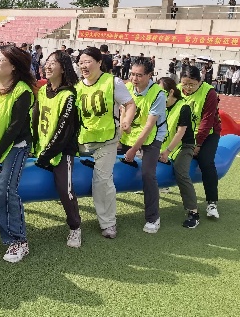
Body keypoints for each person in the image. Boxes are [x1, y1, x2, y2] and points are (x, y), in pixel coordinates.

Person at [0, 45, 35, 262]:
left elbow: (15, 128)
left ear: (13, 67)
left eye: (1, 59)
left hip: (17, 146)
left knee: (5, 189)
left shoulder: (23, 91)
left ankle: (19, 240)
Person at [77, 47, 136, 239]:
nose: (83, 66)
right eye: (81, 62)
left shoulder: (113, 82)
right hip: (83, 140)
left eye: (87, 61)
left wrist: (126, 121)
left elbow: (129, 104)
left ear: (99, 62)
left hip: (107, 140)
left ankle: (108, 223)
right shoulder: (78, 86)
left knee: (102, 181)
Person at [33, 50, 82, 247]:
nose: (48, 65)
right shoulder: (43, 91)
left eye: (53, 63)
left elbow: (64, 130)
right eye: (47, 62)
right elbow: (35, 120)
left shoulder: (69, 95)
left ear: (63, 68)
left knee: (65, 189)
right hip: (42, 149)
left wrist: (47, 155)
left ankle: (75, 227)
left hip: (62, 151)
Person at [120, 58, 167, 234]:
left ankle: (153, 218)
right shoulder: (127, 88)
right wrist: (122, 130)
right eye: (132, 74)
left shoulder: (158, 94)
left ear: (149, 75)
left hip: (152, 137)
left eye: (139, 75)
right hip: (131, 134)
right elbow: (123, 112)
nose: (134, 78)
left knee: (148, 174)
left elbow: (149, 127)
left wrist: (133, 149)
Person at [179, 65, 222, 219]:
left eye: (192, 84)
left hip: (208, 133)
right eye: (185, 84)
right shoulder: (176, 90)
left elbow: (207, 121)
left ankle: (212, 202)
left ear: (200, 81)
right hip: (182, 132)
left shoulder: (209, 93)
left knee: (205, 161)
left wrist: (197, 144)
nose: (188, 88)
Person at [157, 77, 198, 228]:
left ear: (171, 92)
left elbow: (180, 133)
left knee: (181, 171)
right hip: (166, 145)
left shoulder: (183, 107)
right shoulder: (161, 106)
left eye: (161, 92)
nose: (158, 95)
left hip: (184, 146)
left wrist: (167, 151)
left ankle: (193, 212)